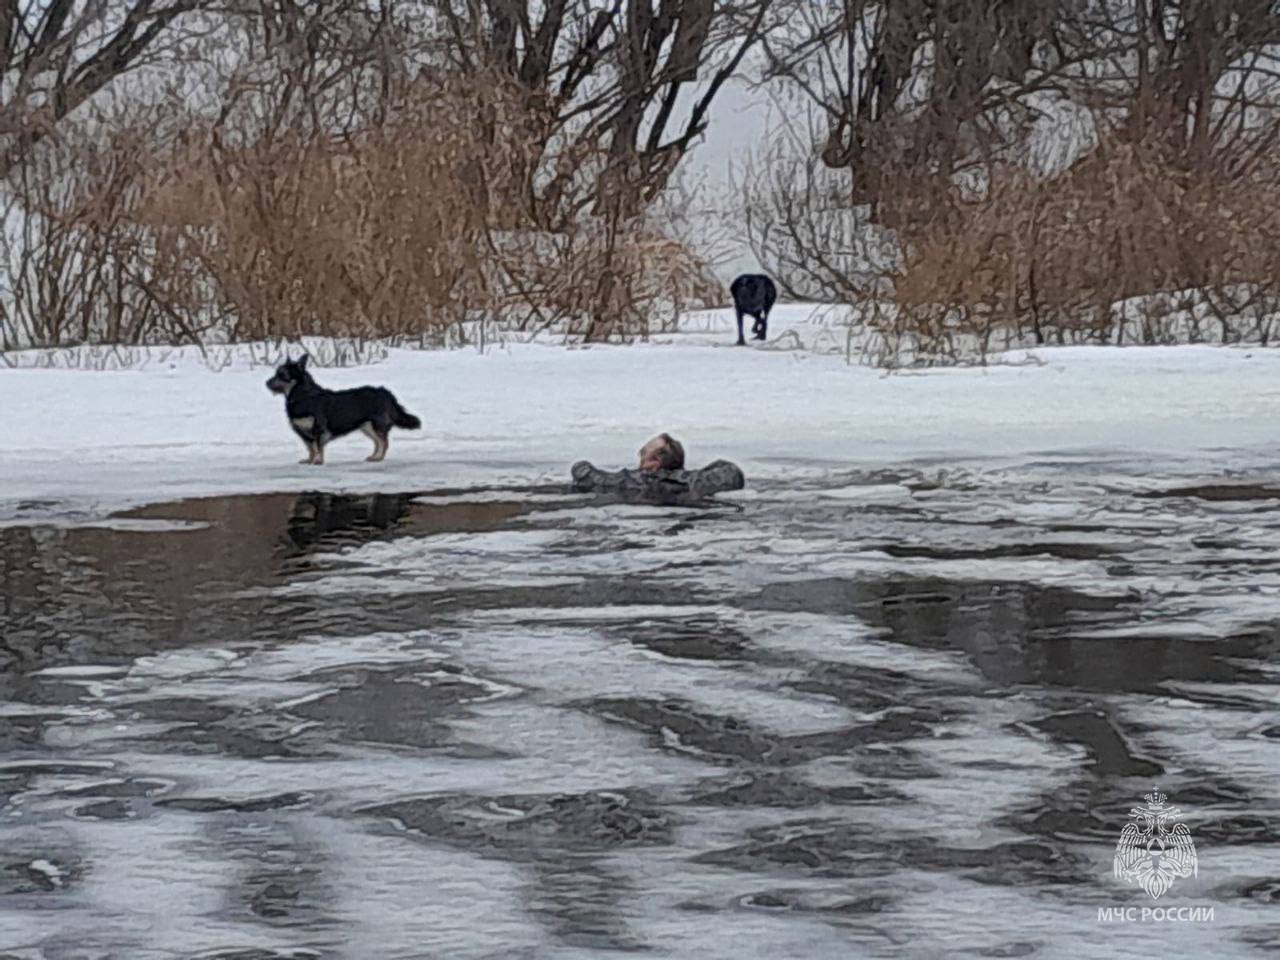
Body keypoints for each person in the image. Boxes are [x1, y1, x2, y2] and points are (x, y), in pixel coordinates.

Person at [571, 433, 745, 504]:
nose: (639, 458)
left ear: (653, 463)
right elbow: (732, 473)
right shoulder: (694, 481)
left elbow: (585, 474)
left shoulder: (637, 481)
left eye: (642, 453)